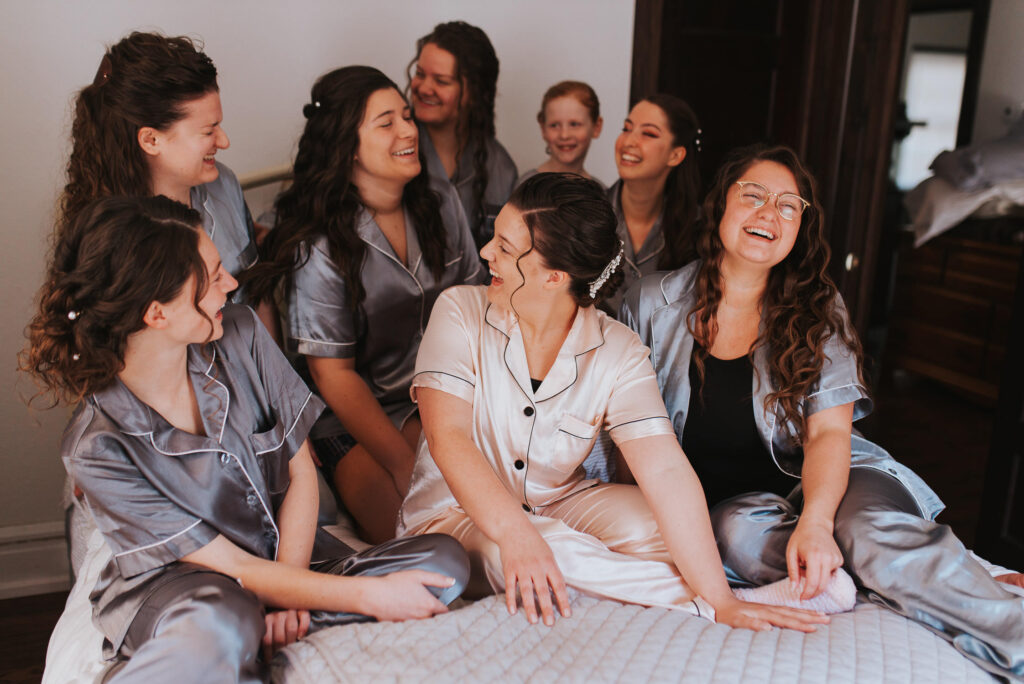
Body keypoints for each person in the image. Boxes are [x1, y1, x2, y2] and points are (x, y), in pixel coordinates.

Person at [21, 196, 469, 683]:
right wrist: (366, 597)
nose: (231, 285)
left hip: (282, 556)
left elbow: (300, 472)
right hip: (186, 592)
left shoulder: (240, 332)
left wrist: (290, 594)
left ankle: (228, 652)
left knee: (444, 561)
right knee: (227, 615)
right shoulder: (96, 447)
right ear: (157, 313)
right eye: (214, 277)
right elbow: (229, 564)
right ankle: (210, 646)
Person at [620, 144, 1024, 680]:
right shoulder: (648, 302)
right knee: (731, 536)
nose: (769, 213)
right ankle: (933, 572)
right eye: (754, 196)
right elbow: (622, 422)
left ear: (800, 228)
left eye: (788, 205)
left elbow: (830, 435)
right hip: (745, 510)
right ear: (720, 205)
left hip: (837, 480)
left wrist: (816, 522)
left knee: (864, 534)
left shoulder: (817, 308)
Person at [398, 172, 840, 631]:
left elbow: (665, 470)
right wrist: (517, 534)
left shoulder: (618, 349)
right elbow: (448, 438)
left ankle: (712, 592)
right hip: (453, 513)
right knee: (546, 548)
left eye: (505, 248)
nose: (486, 252)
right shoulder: (459, 311)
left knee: (666, 526)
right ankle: (710, 603)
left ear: (554, 276)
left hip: (557, 503)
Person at [244, 66, 482, 544]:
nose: (408, 131)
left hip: (439, 391)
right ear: (348, 145)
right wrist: (402, 464)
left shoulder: (441, 202)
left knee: (485, 505)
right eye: (386, 122)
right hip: (353, 413)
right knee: (418, 533)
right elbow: (334, 376)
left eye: (407, 117)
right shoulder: (321, 244)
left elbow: (477, 305)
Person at [60, 31, 256, 283]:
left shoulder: (224, 185)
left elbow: (255, 287)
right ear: (151, 140)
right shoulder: (112, 242)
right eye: (209, 131)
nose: (224, 141)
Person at [408, 20, 517, 248]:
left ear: (475, 92)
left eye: (441, 81)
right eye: (419, 73)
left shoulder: (501, 169)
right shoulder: (392, 149)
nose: (424, 88)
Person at [606, 94, 702, 313]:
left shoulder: (699, 229)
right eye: (626, 129)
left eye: (648, 133)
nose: (628, 142)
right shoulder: (586, 216)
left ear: (676, 155)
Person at [516, 81, 604, 187]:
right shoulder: (526, 187)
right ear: (543, 129)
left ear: (596, 127)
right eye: (554, 125)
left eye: (574, 124)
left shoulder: (601, 192)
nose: (564, 135)